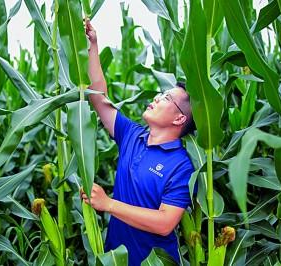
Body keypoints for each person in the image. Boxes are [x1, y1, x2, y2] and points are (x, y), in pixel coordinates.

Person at [81, 20, 196, 265]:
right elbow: (99, 100)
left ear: (179, 118)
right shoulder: (133, 135)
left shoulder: (182, 166)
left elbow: (165, 223)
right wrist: (93, 45)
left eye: (166, 98)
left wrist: (108, 204)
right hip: (115, 258)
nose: (156, 97)